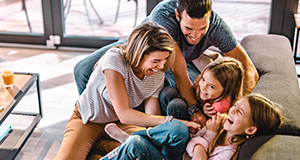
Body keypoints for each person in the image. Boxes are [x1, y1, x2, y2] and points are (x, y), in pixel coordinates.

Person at [73, 0, 259, 126]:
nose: (195, 36)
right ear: (178, 15)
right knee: (82, 70)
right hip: (141, 49)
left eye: (202, 29)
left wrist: (237, 105)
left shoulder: (217, 26)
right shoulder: (164, 15)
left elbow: (247, 66)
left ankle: (125, 120)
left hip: (176, 61)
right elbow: (177, 72)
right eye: (188, 29)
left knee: (203, 90)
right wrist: (194, 110)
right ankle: (98, 122)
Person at [55, 22, 201, 160]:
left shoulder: (156, 74)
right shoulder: (114, 60)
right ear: (139, 53)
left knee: (146, 150)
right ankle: (98, 145)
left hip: (119, 125)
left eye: (165, 60)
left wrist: (171, 128)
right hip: (89, 120)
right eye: (156, 61)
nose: (161, 66)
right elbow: (124, 113)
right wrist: (171, 120)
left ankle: (100, 145)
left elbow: (151, 116)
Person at [102, 93, 282, 160]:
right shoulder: (220, 125)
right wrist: (200, 136)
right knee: (178, 129)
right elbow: (192, 145)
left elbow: (197, 154)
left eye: (239, 113)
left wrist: (207, 137)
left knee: (135, 143)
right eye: (235, 106)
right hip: (178, 153)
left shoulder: (228, 153)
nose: (232, 111)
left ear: (250, 129)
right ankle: (140, 135)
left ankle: (132, 139)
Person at [160, 57, 244, 125]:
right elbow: (194, 91)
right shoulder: (205, 88)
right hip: (195, 109)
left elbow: (208, 126)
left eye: (211, 86)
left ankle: (175, 132)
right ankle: (163, 122)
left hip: (196, 125)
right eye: (203, 79)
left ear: (227, 91)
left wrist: (204, 112)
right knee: (168, 92)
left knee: (176, 105)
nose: (203, 87)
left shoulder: (219, 107)